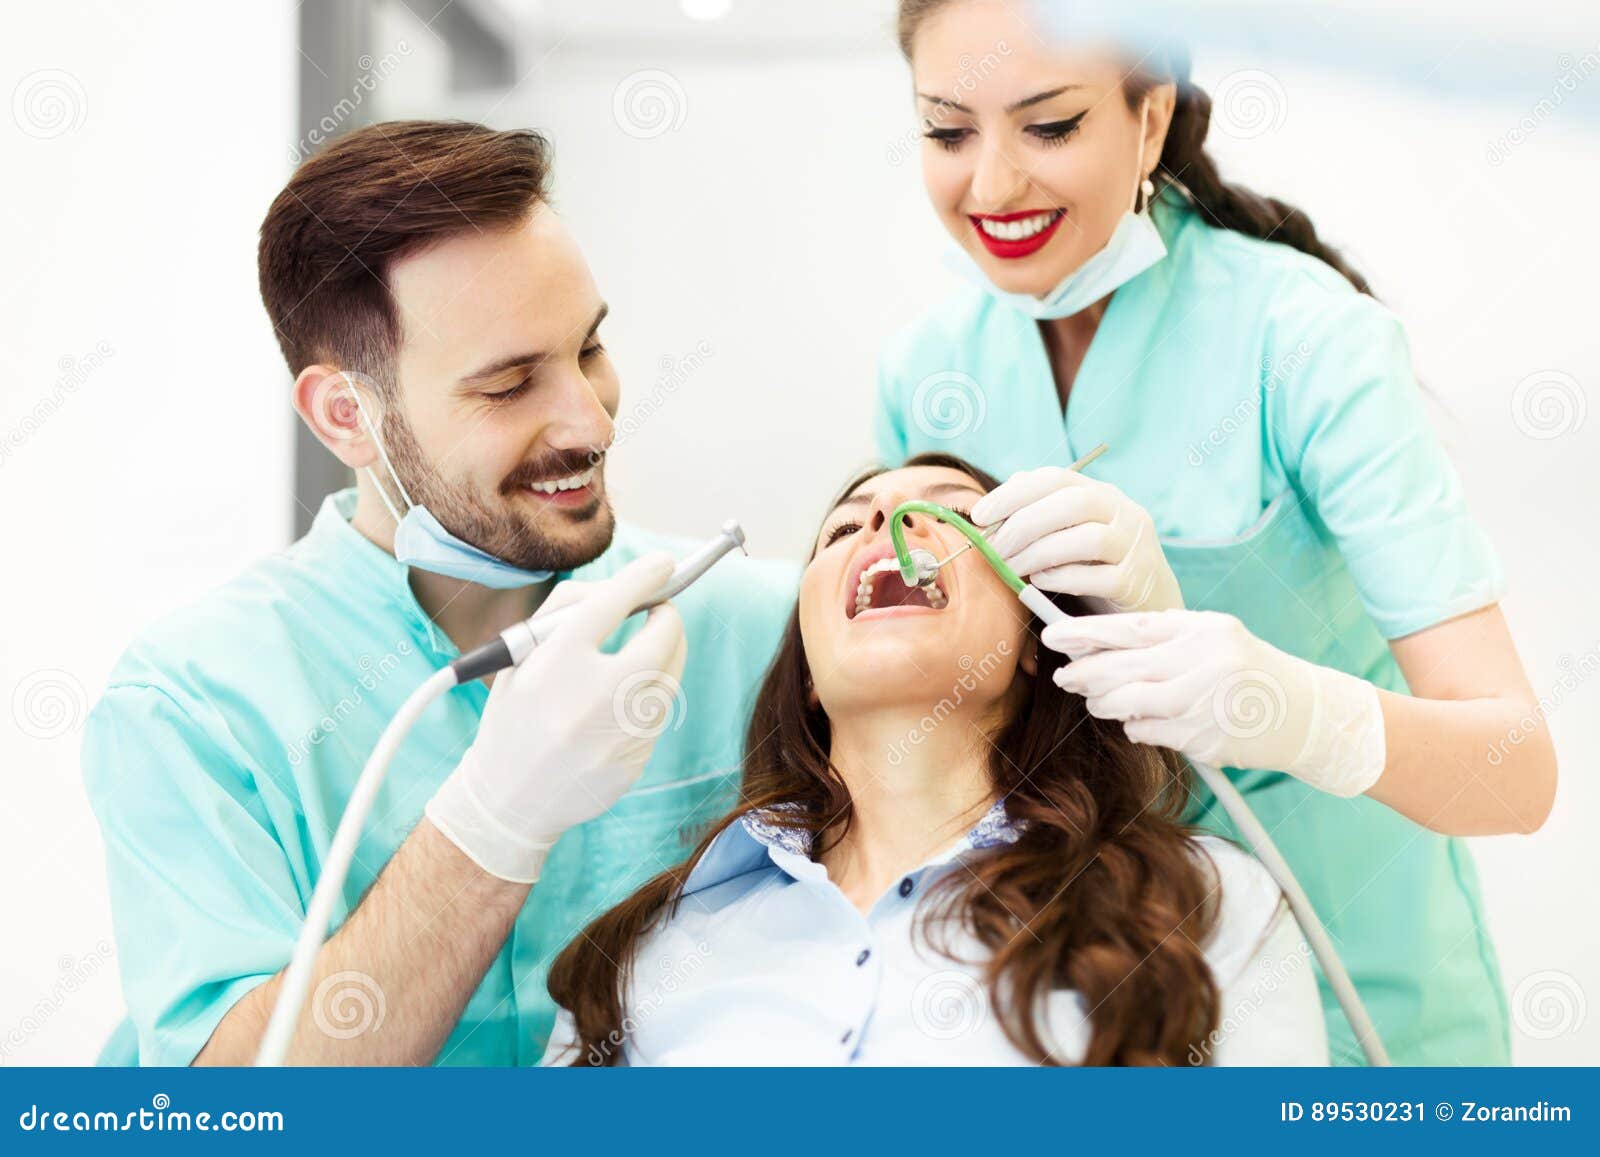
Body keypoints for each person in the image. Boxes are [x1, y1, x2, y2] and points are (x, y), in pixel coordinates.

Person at [873, 0, 1556, 1064]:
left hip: (1359, 1005)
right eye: (948, 131)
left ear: (1149, 118)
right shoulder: (929, 373)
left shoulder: (1305, 340)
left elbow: (1516, 770)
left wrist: (1288, 710)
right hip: (1084, 1011)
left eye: (1049, 126)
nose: (992, 185)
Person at [80, 121, 801, 1066]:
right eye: (508, 386)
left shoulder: (753, 627)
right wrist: (492, 824)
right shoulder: (194, 709)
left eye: (589, 348)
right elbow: (234, 1114)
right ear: (347, 416)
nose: (590, 420)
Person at [540, 456, 1328, 1066]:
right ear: (809, 675)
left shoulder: (1198, 904)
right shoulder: (644, 956)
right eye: (845, 529)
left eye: (955, 514)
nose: (887, 518)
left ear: (1034, 637)